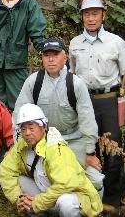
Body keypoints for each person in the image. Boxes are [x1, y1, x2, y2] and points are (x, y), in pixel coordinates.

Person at [69, 0, 125, 212]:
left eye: (95, 13)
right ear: (81, 16)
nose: (91, 18)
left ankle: (113, 198)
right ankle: (91, 194)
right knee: (88, 148)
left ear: (103, 15)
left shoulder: (115, 42)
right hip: (84, 102)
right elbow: (71, 74)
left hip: (109, 101)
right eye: (87, 14)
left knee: (113, 150)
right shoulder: (74, 43)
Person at [14, 37, 104, 194]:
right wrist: (18, 144)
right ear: (41, 58)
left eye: (55, 55)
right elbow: (18, 116)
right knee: (33, 175)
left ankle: (89, 208)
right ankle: (47, 206)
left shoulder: (75, 84)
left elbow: (87, 120)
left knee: (96, 180)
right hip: (44, 141)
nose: (50, 59)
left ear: (64, 57)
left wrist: (90, 152)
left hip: (73, 141)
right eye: (46, 55)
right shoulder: (33, 82)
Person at [0, 103, 103, 217]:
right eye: (23, 129)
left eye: (31, 128)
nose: (27, 133)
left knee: (65, 203)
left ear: (44, 127)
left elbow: (65, 185)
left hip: (72, 196)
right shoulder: (22, 146)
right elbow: (5, 170)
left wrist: (38, 202)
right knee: (20, 181)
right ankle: (41, 213)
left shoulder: (56, 148)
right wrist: (19, 198)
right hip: (47, 195)